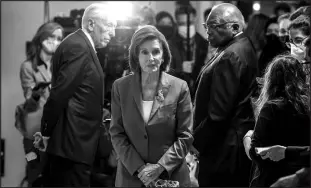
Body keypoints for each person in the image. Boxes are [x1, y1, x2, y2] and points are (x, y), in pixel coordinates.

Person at [33, 3, 117, 187]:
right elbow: (59, 94)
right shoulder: (79, 47)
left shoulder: (80, 45)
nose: (113, 33)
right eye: (109, 25)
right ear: (91, 24)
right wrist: (46, 133)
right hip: (72, 148)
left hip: (75, 146)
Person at [109, 25, 193, 187]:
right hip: (132, 176)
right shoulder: (120, 87)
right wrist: (140, 168)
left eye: (156, 51)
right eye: (144, 52)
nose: (151, 58)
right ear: (136, 56)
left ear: (163, 56)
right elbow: (117, 133)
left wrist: (160, 167)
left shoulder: (179, 87)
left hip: (170, 176)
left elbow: (185, 136)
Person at [192, 3, 258, 187]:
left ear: (235, 27)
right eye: (207, 26)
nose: (208, 31)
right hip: (230, 146)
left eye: (214, 25)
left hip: (224, 151)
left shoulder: (231, 54)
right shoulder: (240, 46)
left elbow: (218, 114)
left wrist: (194, 143)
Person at [249, 55, 310, 187]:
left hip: (274, 179)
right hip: (301, 178)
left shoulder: (271, 107)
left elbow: (256, 151)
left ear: (271, 80)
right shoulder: (308, 107)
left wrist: (247, 138)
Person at [19, 21, 63, 187]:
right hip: (34, 131)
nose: (55, 41)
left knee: (55, 176)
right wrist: (36, 94)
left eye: (59, 38)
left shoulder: (60, 67)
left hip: (57, 131)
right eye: (51, 37)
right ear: (41, 38)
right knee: (33, 167)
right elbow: (29, 103)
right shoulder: (28, 67)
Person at [168, 4, 208, 99]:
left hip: (199, 98)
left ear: (195, 19)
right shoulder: (169, 45)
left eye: (189, 23)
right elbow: (163, 74)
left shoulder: (204, 44)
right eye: (182, 24)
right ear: (176, 22)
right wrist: (180, 69)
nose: (186, 27)